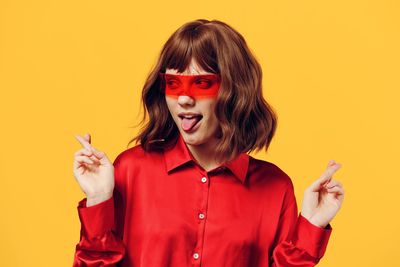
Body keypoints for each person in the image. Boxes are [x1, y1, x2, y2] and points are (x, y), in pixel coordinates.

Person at [72, 19, 345, 267]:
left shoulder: (275, 187)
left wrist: (311, 227)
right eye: (174, 83)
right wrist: (98, 200)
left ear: (234, 90)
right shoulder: (131, 170)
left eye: (201, 83)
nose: (183, 99)